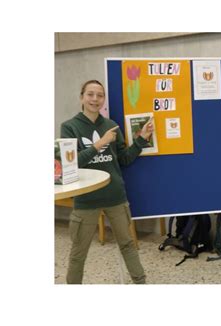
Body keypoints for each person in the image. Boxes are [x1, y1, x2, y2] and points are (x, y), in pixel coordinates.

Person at [60, 80, 154, 284]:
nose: (95, 99)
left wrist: (142, 139)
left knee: (128, 244)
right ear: (82, 97)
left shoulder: (112, 126)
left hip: (115, 197)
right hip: (86, 199)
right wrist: (100, 144)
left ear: (103, 99)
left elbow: (124, 159)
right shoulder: (69, 127)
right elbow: (71, 164)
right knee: (78, 252)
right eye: (90, 94)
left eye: (100, 95)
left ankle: (141, 282)